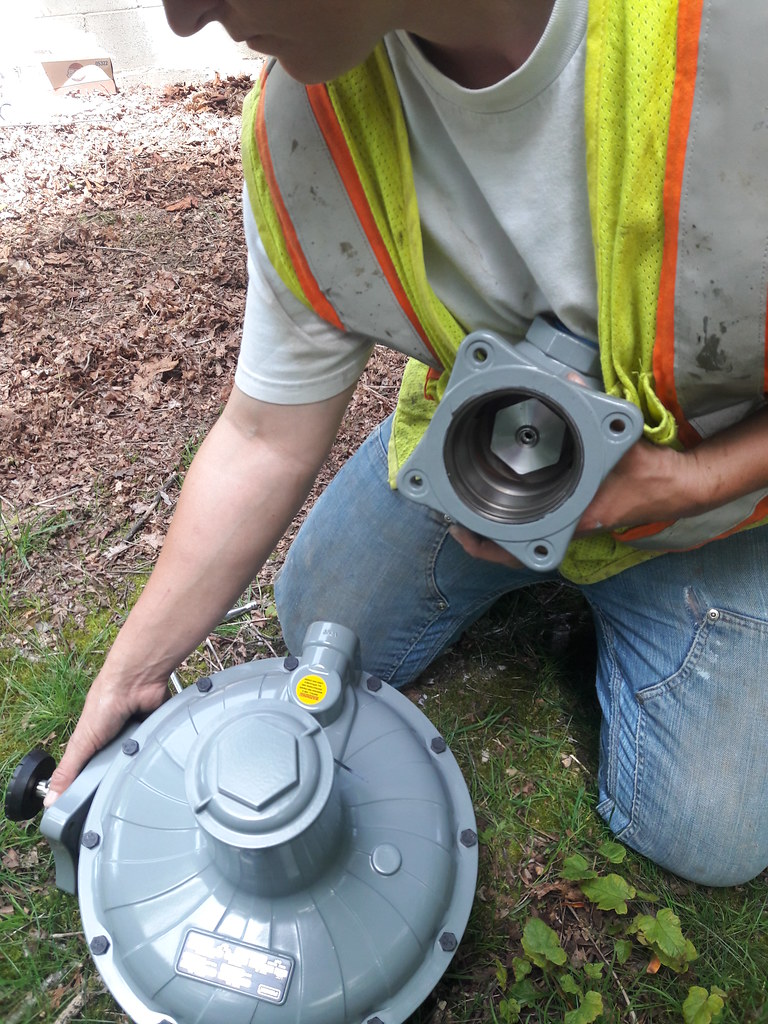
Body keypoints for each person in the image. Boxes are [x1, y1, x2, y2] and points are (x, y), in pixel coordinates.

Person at [45, 0, 768, 887]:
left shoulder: (740, 44)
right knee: (319, 618)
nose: (189, 18)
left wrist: (690, 485)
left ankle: (634, 588)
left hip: (717, 492)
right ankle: (526, 507)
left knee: (709, 837)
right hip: (486, 448)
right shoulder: (305, 132)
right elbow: (263, 434)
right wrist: (133, 672)